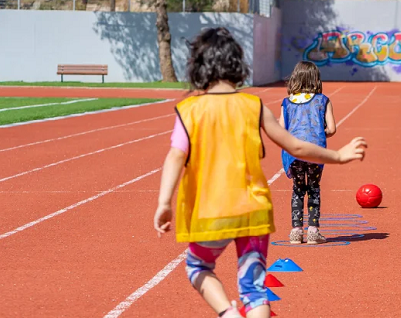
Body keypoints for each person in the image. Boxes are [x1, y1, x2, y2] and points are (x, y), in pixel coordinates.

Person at [153, 27, 367, 318]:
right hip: (253, 210)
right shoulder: (254, 106)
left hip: (208, 210)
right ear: (237, 66)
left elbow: (175, 157)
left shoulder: (189, 111)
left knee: (199, 267)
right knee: (254, 289)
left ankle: (227, 314)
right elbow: (297, 146)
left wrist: (165, 203)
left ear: (198, 68)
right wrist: (338, 156)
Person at [277, 61, 337, 245]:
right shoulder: (323, 100)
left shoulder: (286, 102)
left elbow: (281, 128)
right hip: (315, 151)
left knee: (297, 188)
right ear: (316, 80)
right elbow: (332, 129)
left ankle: (296, 231)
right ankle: (313, 231)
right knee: (313, 188)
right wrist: (319, 132)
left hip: (293, 152)